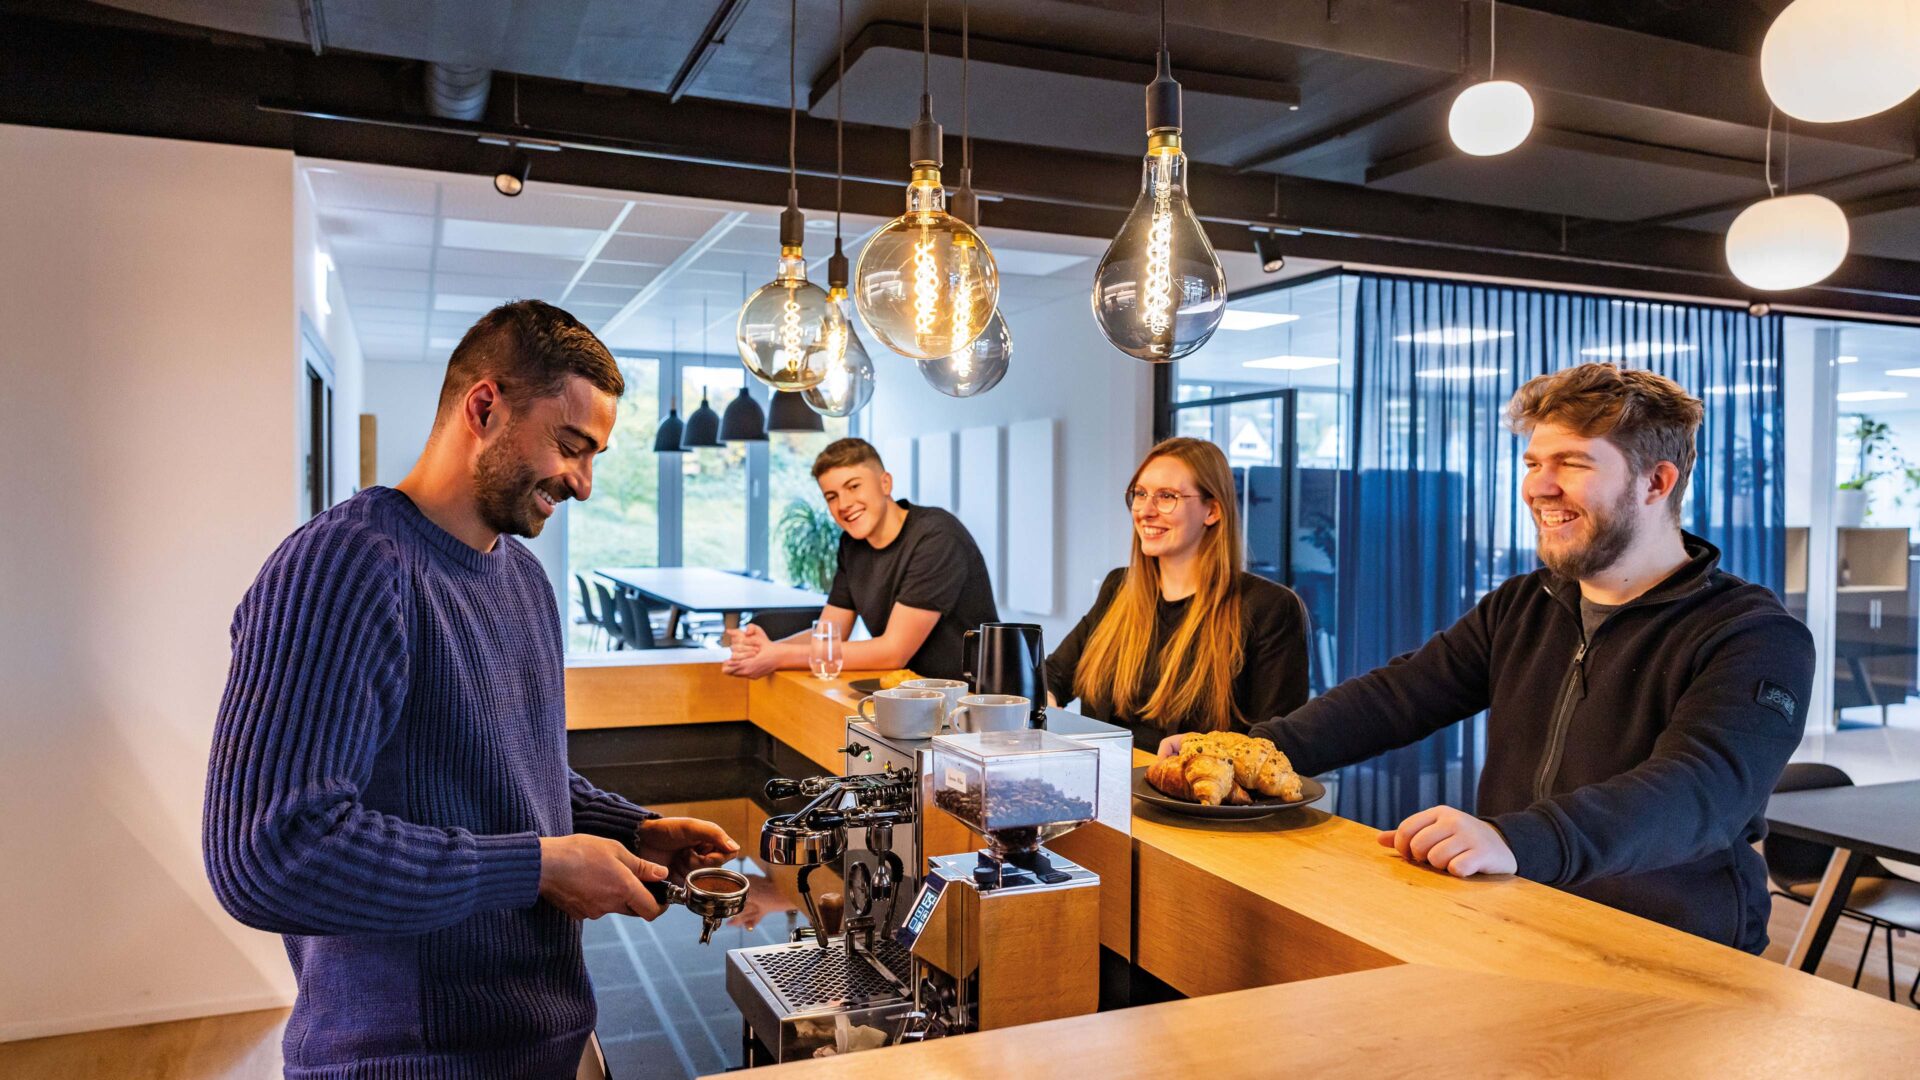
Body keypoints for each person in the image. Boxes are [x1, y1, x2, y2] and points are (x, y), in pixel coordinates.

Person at [203, 300, 739, 1079]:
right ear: (484, 407)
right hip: (410, 1062)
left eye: (596, 456)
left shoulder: (520, 577)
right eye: (570, 446)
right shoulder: (347, 567)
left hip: (537, 1042)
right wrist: (539, 866)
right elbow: (269, 854)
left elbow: (500, 768)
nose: (584, 484)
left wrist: (629, 830)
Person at [1161, 363, 1812, 954]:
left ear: (1656, 482)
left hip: (1670, 948)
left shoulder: (1752, 636)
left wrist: (1517, 840)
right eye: (1533, 463)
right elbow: (1398, 698)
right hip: (1519, 917)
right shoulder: (1525, 606)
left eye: (1574, 463)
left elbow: (1700, 792)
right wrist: (1241, 751)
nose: (1540, 487)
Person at [1045, 437, 1309, 752]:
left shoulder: (1268, 609)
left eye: (1167, 496)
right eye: (1140, 494)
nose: (1145, 510)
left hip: (1196, 800)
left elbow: (1274, 746)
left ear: (1212, 511)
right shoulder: (1119, 588)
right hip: (1105, 790)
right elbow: (1052, 675)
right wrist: (1045, 700)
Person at [722, 437, 997, 681]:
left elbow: (893, 652)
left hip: (974, 703)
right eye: (832, 496)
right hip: (912, 696)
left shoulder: (937, 537)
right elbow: (830, 635)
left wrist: (778, 657)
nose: (843, 504)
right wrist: (769, 648)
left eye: (853, 486)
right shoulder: (852, 544)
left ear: (885, 483)